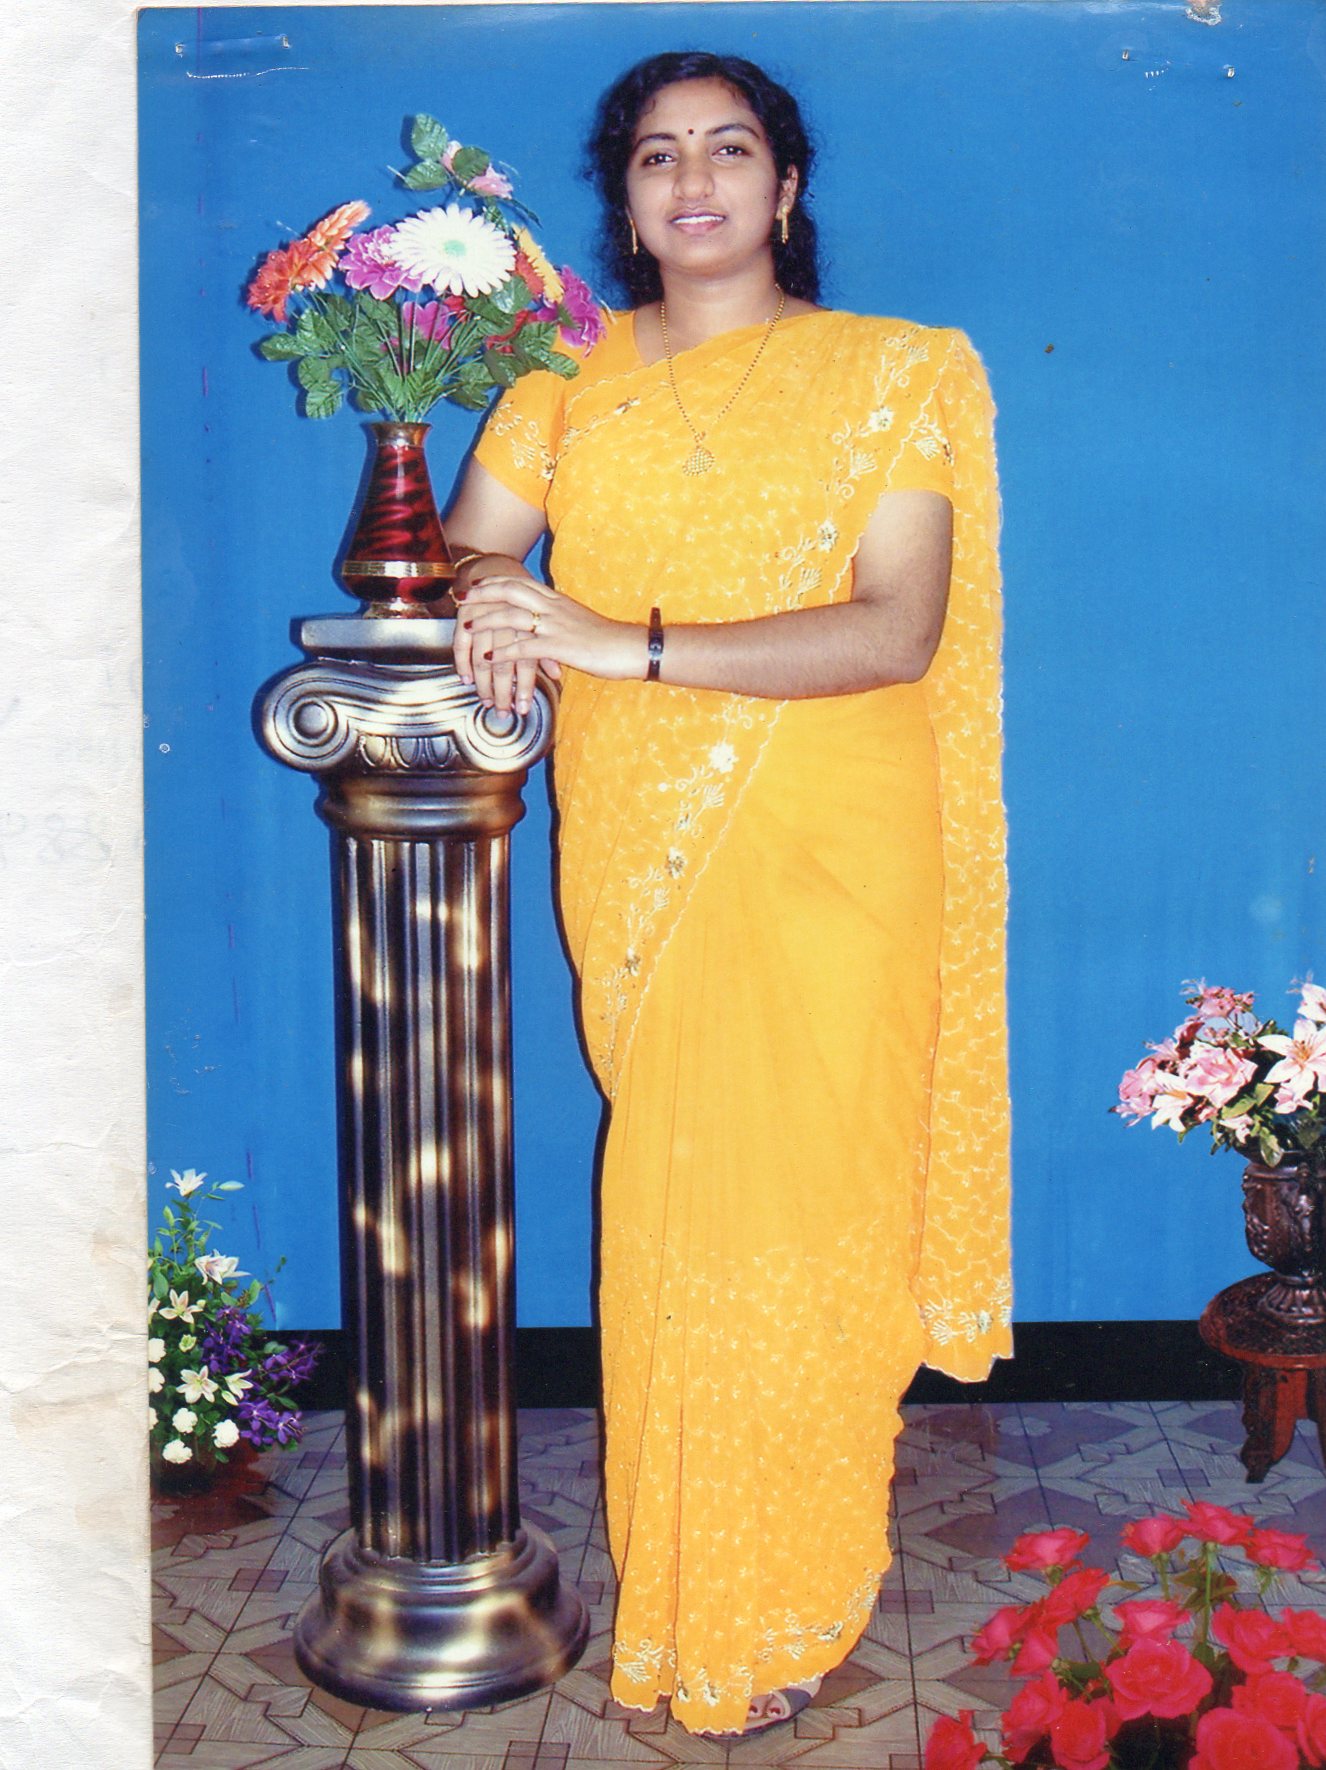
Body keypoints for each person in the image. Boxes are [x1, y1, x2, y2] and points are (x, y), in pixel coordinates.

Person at [445, 50, 1011, 1738]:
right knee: (676, 1218)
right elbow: (458, 543)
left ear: (785, 186)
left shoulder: (896, 369)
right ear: (624, 201)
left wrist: (611, 640)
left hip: (830, 835)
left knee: (803, 1216)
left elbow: (895, 628)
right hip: (641, 839)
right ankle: (696, 1584)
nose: (691, 181)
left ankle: (775, 1599)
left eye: (728, 148)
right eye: (655, 156)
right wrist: (491, 598)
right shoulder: (558, 377)